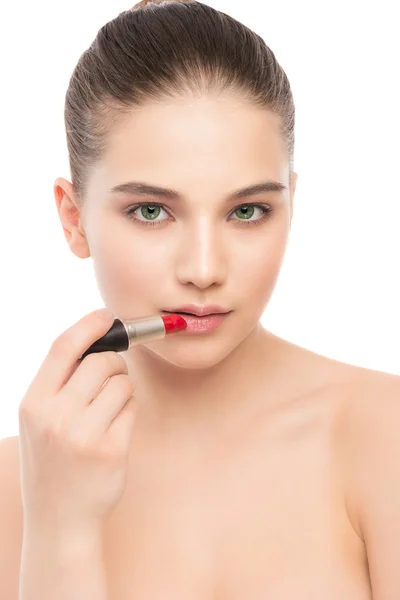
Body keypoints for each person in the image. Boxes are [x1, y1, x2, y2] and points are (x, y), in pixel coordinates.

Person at [1, 0, 399, 598]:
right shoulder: (19, 483)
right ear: (73, 217)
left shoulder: (385, 433)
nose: (205, 270)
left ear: (291, 203)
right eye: (152, 211)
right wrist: (62, 531)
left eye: (247, 211)